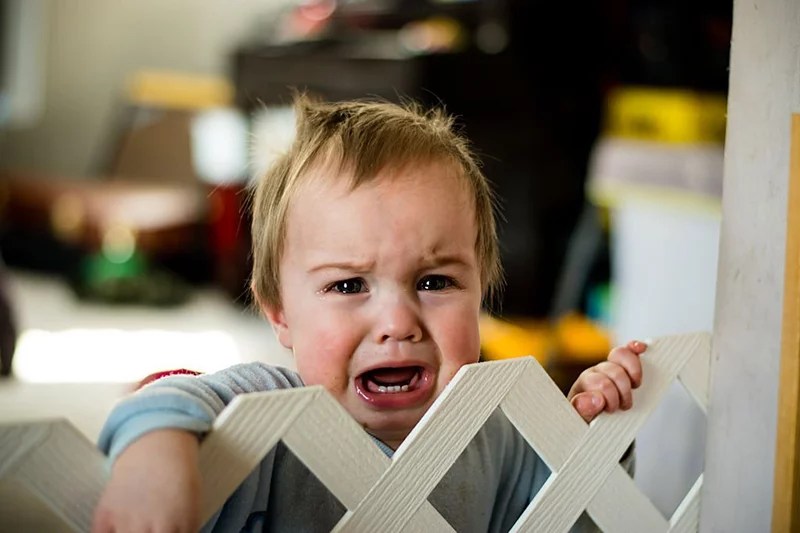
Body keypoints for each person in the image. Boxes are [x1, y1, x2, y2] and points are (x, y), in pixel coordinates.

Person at [91, 94, 646, 533]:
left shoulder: (498, 429)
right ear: (280, 314)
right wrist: (155, 456)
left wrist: (588, 442)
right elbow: (167, 396)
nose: (398, 323)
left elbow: (568, 519)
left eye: (434, 282)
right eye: (349, 285)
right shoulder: (267, 409)